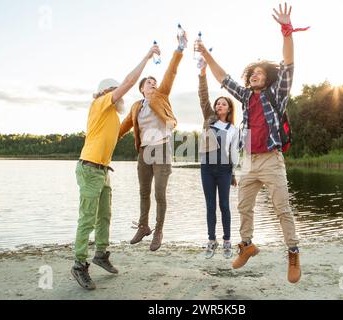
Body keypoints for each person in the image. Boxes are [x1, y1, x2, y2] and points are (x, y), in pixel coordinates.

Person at [198, 2, 308, 283]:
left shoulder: (277, 93)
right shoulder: (246, 97)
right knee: (243, 207)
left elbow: (289, 63)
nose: (255, 74)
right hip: (248, 161)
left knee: (282, 208)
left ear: (267, 76)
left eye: (260, 72)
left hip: (271, 159)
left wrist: (286, 31)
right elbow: (223, 77)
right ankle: (247, 246)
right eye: (252, 72)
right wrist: (206, 53)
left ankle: (293, 252)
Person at [71, 45, 160, 290]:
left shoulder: (113, 116)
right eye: (116, 91)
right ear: (106, 92)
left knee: (104, 217)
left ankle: (101, 254)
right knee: (87, 219)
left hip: (103, 171)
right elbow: (130, 81)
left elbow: (128, 127)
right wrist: (146, 57)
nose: (120, 95)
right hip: (89, 168)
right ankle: (79, 264)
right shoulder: (100, 103)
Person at [119, 33, 188, 252]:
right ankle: (143, 226)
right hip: (144, 152)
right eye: (150, 83)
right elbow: (123, 127)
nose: (154, 84)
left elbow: (171, 72)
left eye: (155, 83)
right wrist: (107, 137)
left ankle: (158, 230)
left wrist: (180, 48)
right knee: (143, 191)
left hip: (162, 149)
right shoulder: (135, 107)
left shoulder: (161, 96)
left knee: (159, 192)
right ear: (141, 88)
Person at [198, 59, 239, 259]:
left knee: (224, 204)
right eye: (217, 103)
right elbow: (203, 96)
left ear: (229, 109)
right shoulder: (209, 119)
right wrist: (202, 73)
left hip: (223, 170)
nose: (219, 105)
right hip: (206, 168)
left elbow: (234, 154)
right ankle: (211, 240)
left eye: (223, 103)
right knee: (210, 206)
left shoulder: (233, 129)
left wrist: (233, 174)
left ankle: (227, 241)